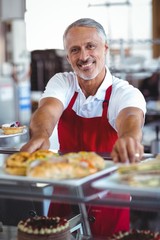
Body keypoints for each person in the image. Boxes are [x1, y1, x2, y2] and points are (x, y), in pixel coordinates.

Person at [21, 18, 146, 238]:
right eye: (75, 50)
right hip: (65, 195)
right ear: (68, 56)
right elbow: (48, 110)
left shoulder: (123, 92)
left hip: (110, 199)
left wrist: (128, 138)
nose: (84, 56)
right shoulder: (62, 82)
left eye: (91, 46)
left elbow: (131, 116)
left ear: (105, 48)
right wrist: (41, 134)